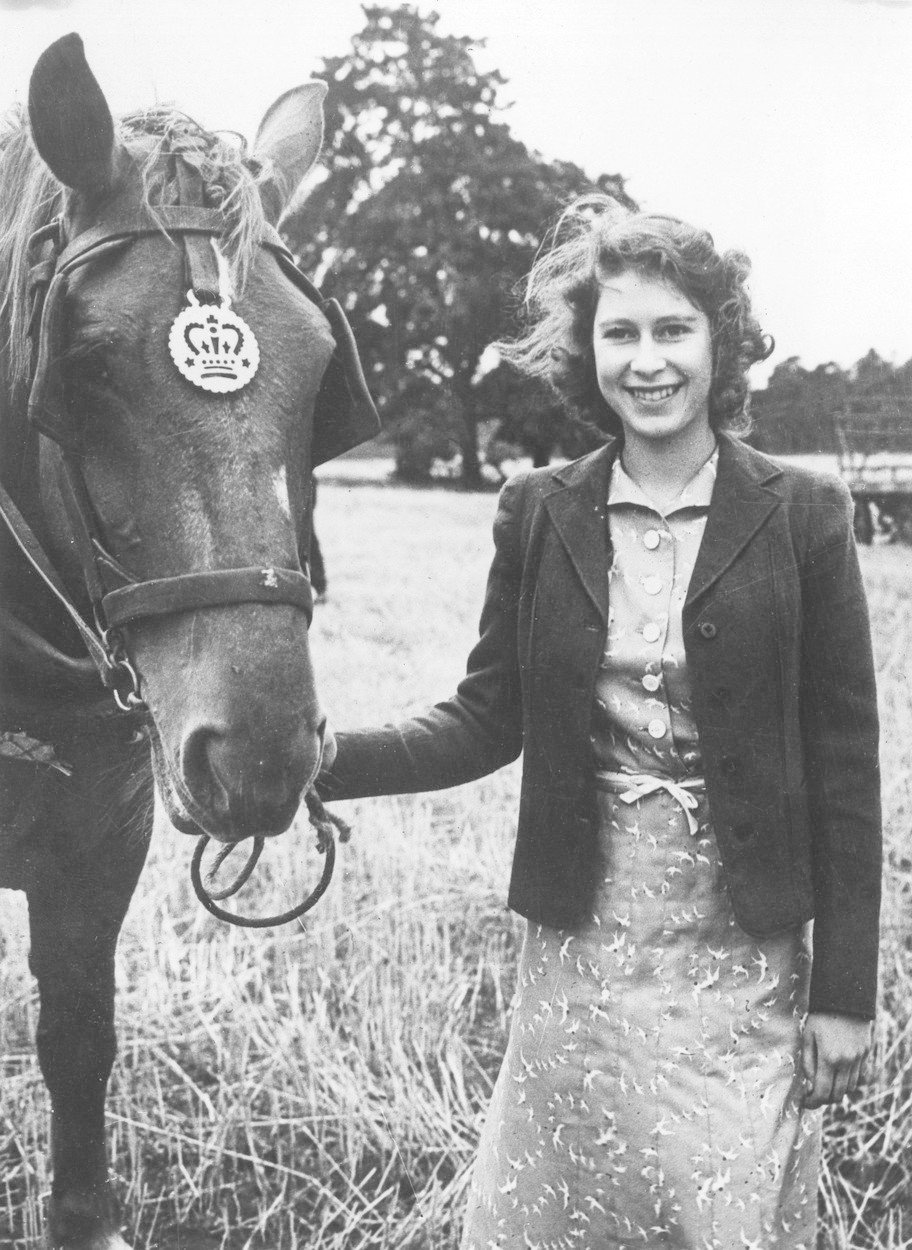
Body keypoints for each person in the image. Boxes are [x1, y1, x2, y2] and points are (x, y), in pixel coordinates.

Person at [317, 196, 881, 1249]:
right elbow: (485, 717)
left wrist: (847, 991)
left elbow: (847, 769)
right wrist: (323, 759)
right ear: (589, 351)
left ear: (723, 343)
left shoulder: (803, 517)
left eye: (675, 328)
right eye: (620, 332)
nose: (649, 359)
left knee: (728, 1211)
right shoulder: (540, 510)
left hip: (742, 959)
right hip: (580, 954)